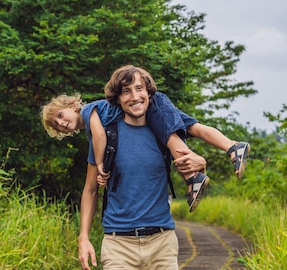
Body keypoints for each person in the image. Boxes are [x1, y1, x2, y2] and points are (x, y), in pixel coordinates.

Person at [77, 65, 207, 270]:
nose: (134, 96)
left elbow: (195, 168)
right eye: (126, 91)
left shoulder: (163, 131)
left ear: (149, 93)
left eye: (139, 89)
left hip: (160, 240)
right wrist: (83, 238)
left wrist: (202, 161)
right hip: (118, 243)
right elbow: (91, 189)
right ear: (117, 99)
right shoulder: (108, 134)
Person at [41, 85, 250, 212]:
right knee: (193, 127)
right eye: (57, 125)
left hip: (150, 105)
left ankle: (193, 177)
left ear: (71, 106)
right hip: (154, 103)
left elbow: (99, 135)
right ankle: (233, 146)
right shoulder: (91, 117)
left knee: (171, 135)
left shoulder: (87, 110)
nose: (61, 123)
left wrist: (102, 166)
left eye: (60, 116)